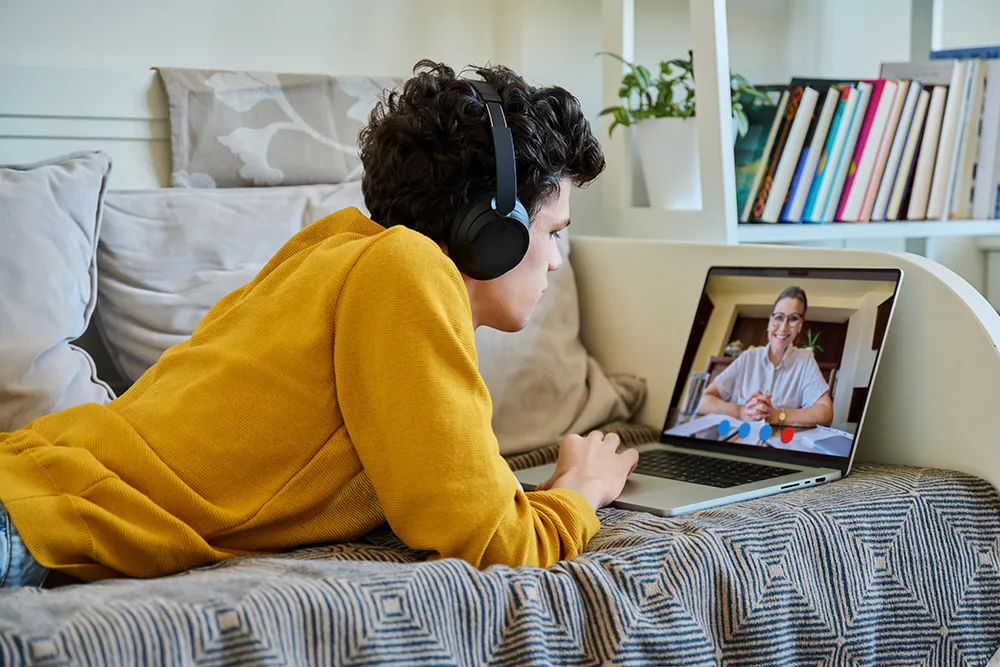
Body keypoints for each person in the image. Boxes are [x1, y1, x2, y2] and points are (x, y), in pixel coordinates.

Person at [0, 60, 639, 588]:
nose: (556, 260)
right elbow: (491, 543)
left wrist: (541, 493)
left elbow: (447, 488)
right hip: (30, 520)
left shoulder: (337, 249)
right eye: (553, 231)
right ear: (494, 231)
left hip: (34, 488)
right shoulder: (405, 272)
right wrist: (579, 494)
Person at [696, 286, 834, 429]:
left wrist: (777, 415)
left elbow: (826, 413)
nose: (783, 328)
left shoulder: (805, 360)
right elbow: (702, 401)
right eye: (779, 317)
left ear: (799, 326)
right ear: (769, 322)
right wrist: (742, 411)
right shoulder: (749, 357)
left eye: (793, 319)